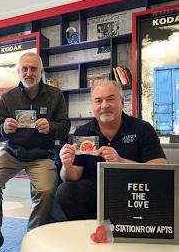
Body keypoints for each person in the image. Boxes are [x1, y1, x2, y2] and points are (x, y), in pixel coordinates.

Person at [56, 80, 166, 221]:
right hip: (95, 191)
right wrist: (67, 166)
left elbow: (161, 170)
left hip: (133, 191)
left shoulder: (143, 129)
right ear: (93, 105)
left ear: (122, 102)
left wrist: (121, 162)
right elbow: (71, 177)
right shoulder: (82, 132)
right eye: (98, 101)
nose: (104, 106)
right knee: (65, 191)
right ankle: (88, 233)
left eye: (111, 99)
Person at [0, 52, 71, 231]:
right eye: (25, 69)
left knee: (45, 191)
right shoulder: (8, 97)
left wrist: (51, 127)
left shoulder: (55, 95)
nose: (29, 73)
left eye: (33, 68)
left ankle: (34, 235)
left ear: (41, 71)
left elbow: (65, 127)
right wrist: (4, 129)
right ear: (19, 72)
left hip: (41, 155)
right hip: (12, 153)